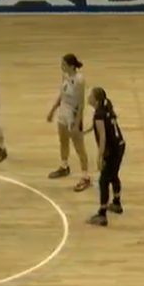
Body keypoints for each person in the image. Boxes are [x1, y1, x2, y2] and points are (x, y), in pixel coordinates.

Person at [47, 54, 92, 192]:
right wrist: (53, 110)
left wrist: (77, 123)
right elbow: (61, 94)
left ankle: (85, 176)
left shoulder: (79, 80)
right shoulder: (65, 76)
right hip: (63, 112)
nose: (62, 66)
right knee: (63, 141)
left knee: (79, 147)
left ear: (72, 66)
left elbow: (81, 103)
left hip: (73, 114)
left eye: (64, 64)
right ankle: (64, 166)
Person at [85, 87, 126, 226]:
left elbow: (102, 137)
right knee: (113, 175)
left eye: (90, 96)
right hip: (120, 145)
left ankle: (102, 214)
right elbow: (99, 127)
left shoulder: (99, 115)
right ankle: (116, 203)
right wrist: (84, 132)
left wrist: (100, 156)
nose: (88, 97)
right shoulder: (105, 110)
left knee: (103, 180)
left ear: (96, 100)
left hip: (112, 149)